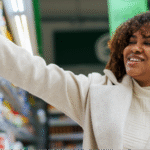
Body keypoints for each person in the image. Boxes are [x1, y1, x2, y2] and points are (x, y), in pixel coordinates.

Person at [0, 11, 150, 149]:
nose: (135, 48)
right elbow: (37, 73)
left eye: (147, 42)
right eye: (130, 41)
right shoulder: (98, 92)